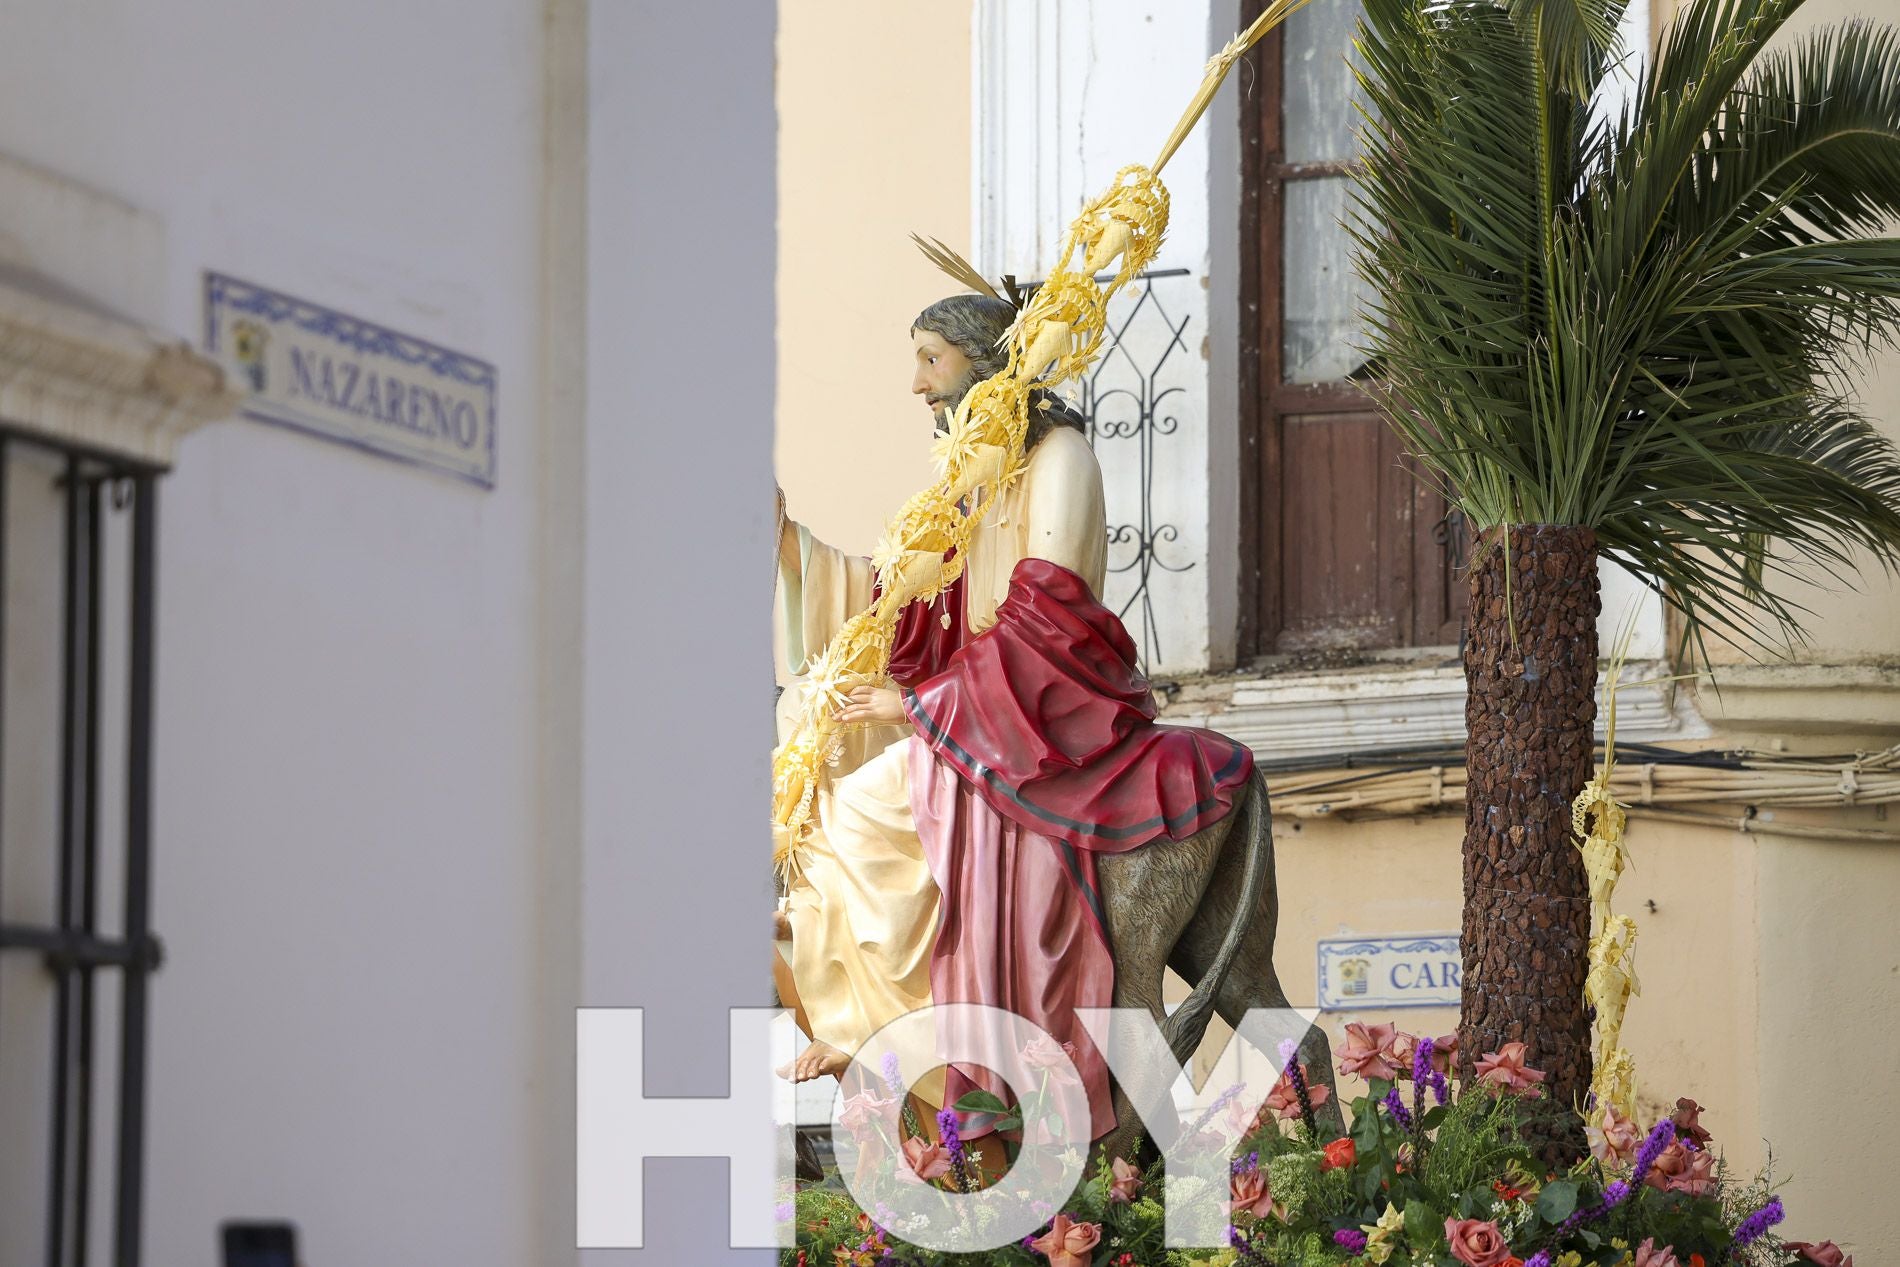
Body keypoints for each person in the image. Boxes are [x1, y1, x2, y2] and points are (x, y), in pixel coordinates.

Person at [773, 293, 1252, 1148]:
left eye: (931, 359)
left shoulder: (1061, 459)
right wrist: (787, 544)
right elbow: (902, 605)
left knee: (857, 816)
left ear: (983, 361)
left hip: (1045, 717)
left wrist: (916, 707)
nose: (916, 383)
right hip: (978, 709)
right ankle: (897, 1046)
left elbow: (1048, 625)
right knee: (811, 721)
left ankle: (908, 1045)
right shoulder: (975, 476)